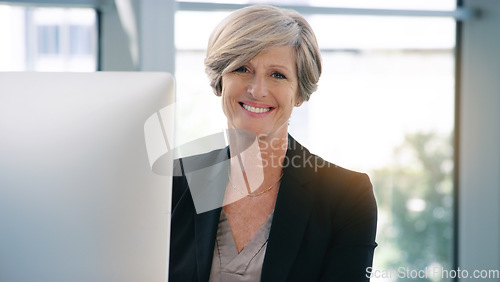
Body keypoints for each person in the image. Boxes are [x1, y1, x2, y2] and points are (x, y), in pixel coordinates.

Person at [169, 5, 377, 282]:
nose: (257, 90)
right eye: (242, 69)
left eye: (277, 75)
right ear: (219, 82)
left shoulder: (346, 196)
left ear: (300, 93)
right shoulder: (172, 184)